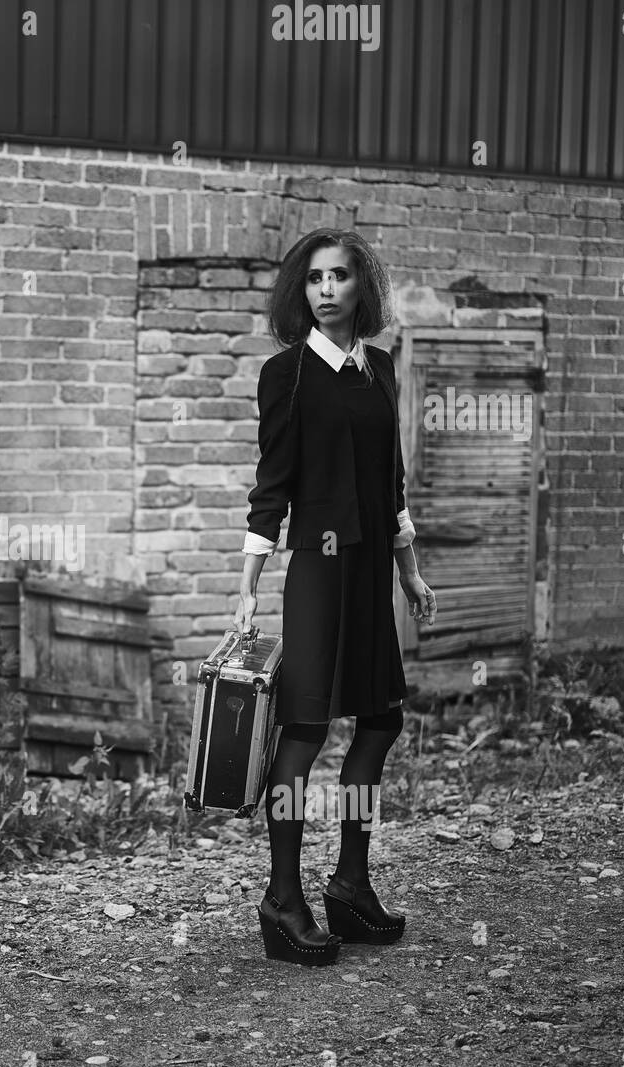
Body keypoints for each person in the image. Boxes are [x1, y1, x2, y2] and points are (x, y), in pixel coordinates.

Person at [234, 228, 437, 966]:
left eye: (339, 276)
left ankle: (350, 884)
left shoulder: (381, 368)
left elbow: (392, 484)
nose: (325, 290)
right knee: (305, 734)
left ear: (361, 288)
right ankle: (282, 899)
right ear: (301, 291)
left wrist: (409, 571)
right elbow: (270, 490)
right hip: (318, 574)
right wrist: (248, 589)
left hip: (371, 573)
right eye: (314, 278)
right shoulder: (286, 376)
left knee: (380, 721)